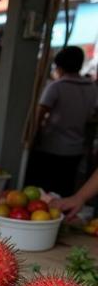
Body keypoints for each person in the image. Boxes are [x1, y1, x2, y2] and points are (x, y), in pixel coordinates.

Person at [26, 45, 98, 197]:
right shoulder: (92, 88)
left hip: (51, 147)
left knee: (43, 192)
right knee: (65, 189)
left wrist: (33, 137)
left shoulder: (57, 87)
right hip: (76, 148)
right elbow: (93, 116)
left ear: (59, 66)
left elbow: (39, 114)